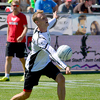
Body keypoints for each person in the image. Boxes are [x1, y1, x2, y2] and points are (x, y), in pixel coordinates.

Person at [10, 10, 71, 100]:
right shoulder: (39, 39)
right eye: (43, 18)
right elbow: (52, 52)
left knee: (61, 79)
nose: (46, 19)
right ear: (37, 23)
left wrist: (55, 18)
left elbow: (49, 22)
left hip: (45, 63)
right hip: (34, 67)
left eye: (46, 17)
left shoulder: (44, 26)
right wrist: (64, 66)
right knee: (26, 94)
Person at [0, 0, 28, 82]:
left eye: (16, 5)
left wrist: (22, 36)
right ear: (11, 6)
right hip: (10, 41)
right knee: (8, 58)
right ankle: (7, 76)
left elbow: (25, 27)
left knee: (22, 59)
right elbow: (9, 28)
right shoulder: (9, 16)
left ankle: (25, 74)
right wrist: (7, 39)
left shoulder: (22, 16)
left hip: (20, 42)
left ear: (19, 6)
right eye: (13, 5)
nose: (15, 7)